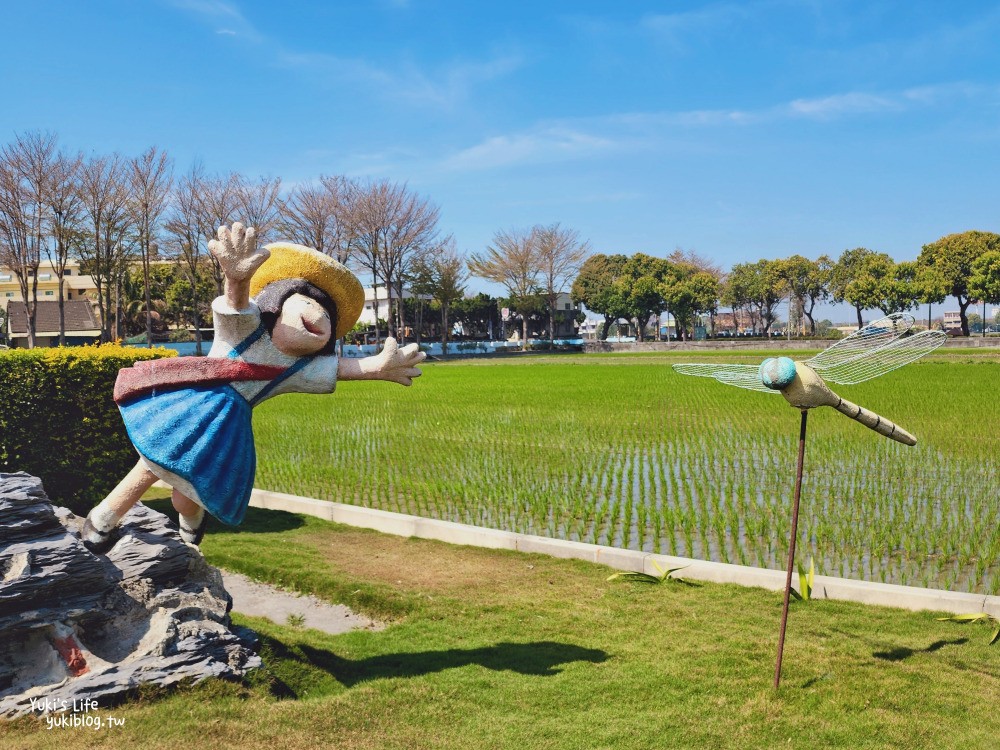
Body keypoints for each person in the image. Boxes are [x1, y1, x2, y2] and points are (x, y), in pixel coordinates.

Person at [82, 222, 425, 553]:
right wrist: (236, 277)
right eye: (309, 303)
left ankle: (191, 522)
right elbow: (237, 305)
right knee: (154, 460)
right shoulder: (244, 331)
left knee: (188, 491)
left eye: (327, 317)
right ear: (278, 301)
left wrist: (379, 367)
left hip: (228, 428)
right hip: (193, 406)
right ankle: (104, 519)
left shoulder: (295, 368)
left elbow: (340, 368)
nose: (319, 319)